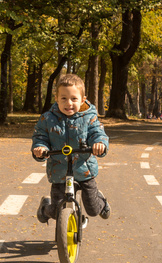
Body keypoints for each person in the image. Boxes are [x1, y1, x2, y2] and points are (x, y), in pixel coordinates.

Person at [31, 73, 111, 223]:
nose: (69, 103)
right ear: (56, 99)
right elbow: (40, 136)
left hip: (84, 168)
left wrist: (99, 144)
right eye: (64, 98)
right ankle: (45, 207)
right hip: (59, 170)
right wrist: (40, 148)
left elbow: (97, 132)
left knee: (93, 209)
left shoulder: (89, 117)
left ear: (82, 99)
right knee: (56, 211)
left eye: (74, 99)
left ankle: (102, 202)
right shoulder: (47, 118)